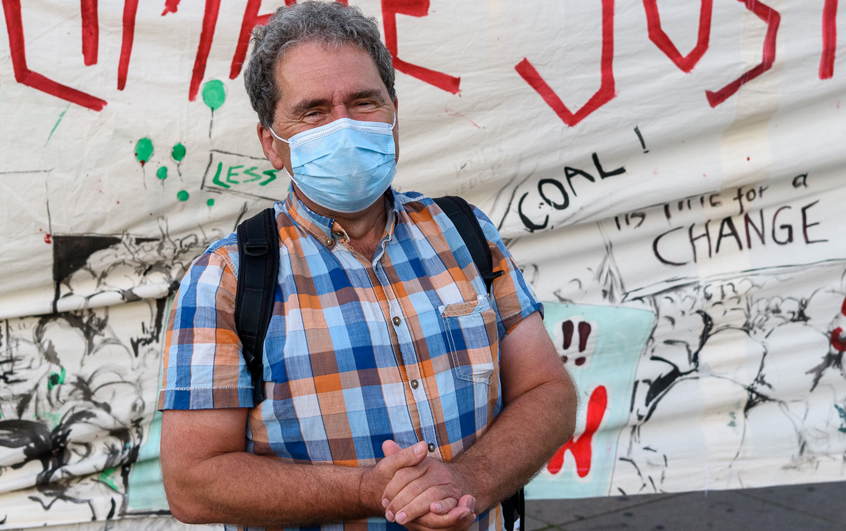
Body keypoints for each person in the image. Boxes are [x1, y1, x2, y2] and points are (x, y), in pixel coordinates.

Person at [156, 2, 577, 531]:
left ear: (394, 114)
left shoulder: (464, 231)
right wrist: (370, 492)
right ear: (272, 144)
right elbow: (193, 483)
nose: (345, 127)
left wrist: (468, 481)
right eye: (314, 111)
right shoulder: (226, 279)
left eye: (363, 102)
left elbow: (548, 393)